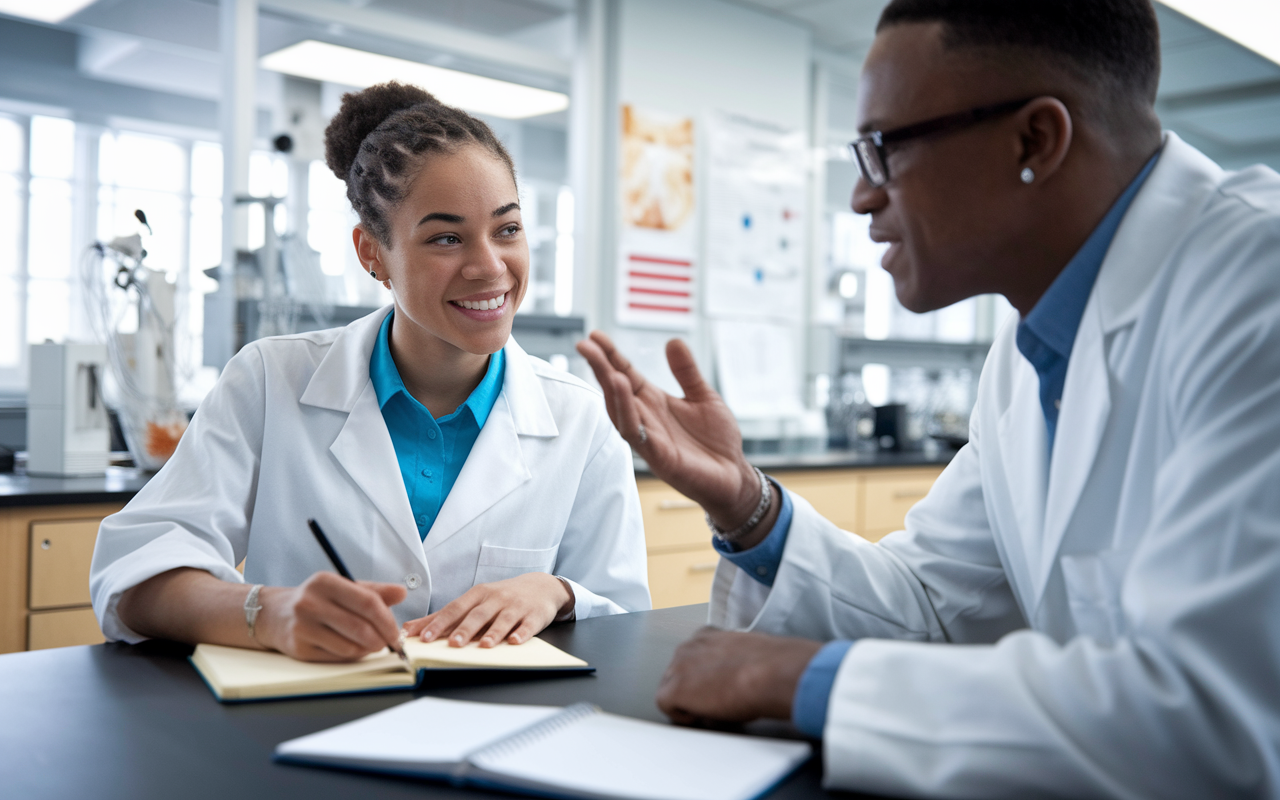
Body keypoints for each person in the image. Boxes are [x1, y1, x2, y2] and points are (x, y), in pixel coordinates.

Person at [578, 0, 1280, 796]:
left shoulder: (1258, 289)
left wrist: (815, 682)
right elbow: (932, 610)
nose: (860, 198)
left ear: (1035, 140)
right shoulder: (1030, 350)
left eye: (883, 150)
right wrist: (749, 508)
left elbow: (1216, 723)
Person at [91, 82, 650, 663]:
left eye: (507, 229)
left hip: (501, 730)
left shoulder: (581, 419)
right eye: (446, 238)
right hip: (301, 727)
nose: (489, 266)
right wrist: (268, 613)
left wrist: (555, 591)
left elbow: (626, 615)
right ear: (372, 255)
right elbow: (131, 579)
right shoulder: (269, 380)